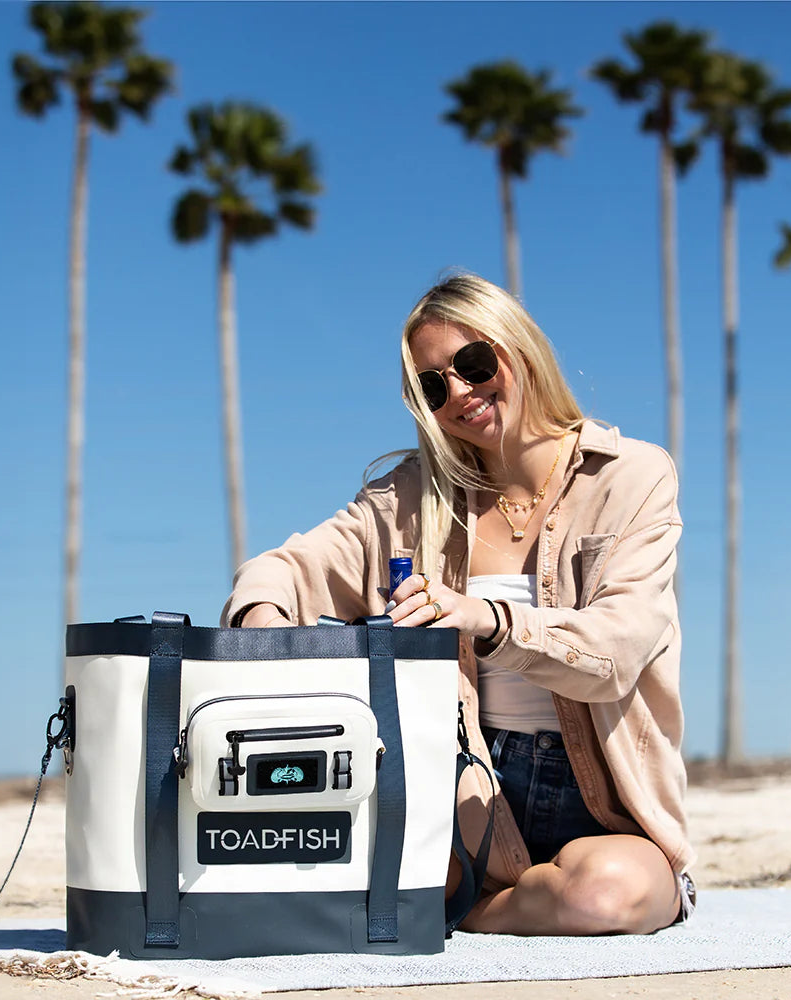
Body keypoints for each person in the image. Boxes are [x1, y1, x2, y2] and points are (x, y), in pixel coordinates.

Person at [222, 272, 695, 935]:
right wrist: (267, 632)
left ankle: (464, 910)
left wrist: (488, 620)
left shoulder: (633, 477)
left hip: (608, 799)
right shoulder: (406, 500)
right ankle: (481, 896)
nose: (463, 393)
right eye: (435, 386)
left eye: (474, 363)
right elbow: (283, 569)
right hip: (465, 791)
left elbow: (617, 651)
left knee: (604, 896)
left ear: (518, 346)